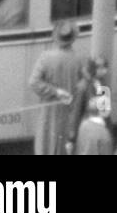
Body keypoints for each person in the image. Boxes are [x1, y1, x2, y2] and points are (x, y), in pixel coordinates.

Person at [28, 21, 87, 155]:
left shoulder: (46, 57)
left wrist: (55, 91)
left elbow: (33, 82)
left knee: (47, 144)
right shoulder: (81, 59)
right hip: (71, 112)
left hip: (49, 111)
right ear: (73, 39)